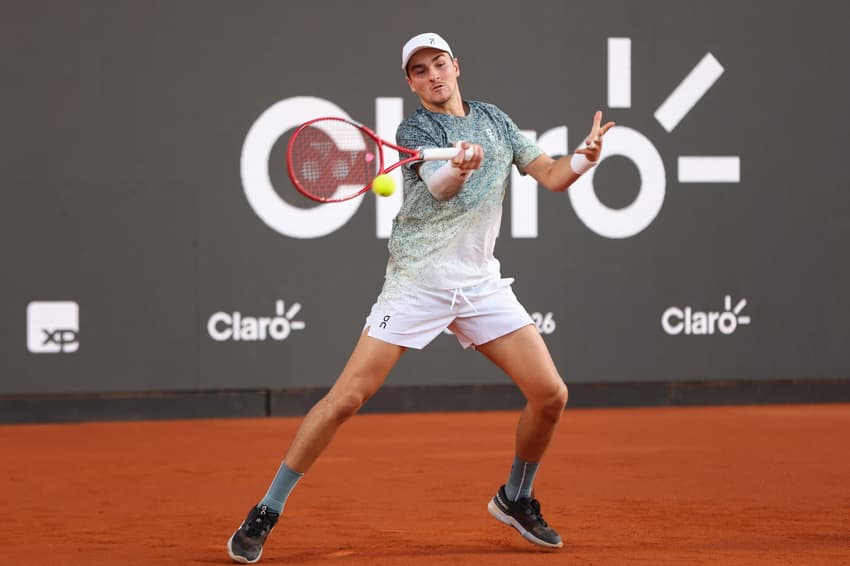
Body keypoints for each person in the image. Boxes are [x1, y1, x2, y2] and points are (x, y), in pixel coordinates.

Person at [227, 32, 614, 563]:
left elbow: (550, 175)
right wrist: (459, 166)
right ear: (410, 82)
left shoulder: (496, 121)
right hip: (417, 283)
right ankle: (266, 509)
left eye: (439, 64)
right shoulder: (416, 128)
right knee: (346, 400)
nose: (433, 75)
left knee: (551, 394)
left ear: (456, 66)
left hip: (479, 284)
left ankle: (515, 497)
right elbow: (438, 188)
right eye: (420, 70)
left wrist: (585, 159)